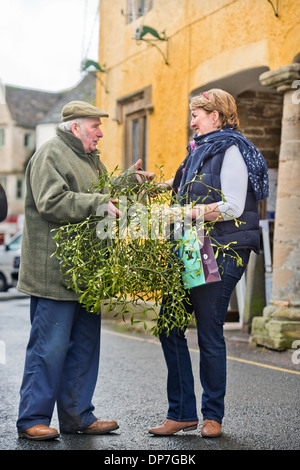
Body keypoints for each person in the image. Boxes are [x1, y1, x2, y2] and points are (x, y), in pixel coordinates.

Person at [16, 100, 154, 440]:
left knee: (84, 348)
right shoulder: (50, 153)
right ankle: (31, 419)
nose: (101, 132)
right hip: (54, 275)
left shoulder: (91, 158)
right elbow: (51, 201)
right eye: (95, 126)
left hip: (87, 275)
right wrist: (97, 203)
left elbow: (102, 193)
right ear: (75, 127)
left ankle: (79, 416)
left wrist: (129, 182)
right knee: (48, 349)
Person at [149, 88, 269, 438]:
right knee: (169, 326)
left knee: (209, 330)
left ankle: (212, 416)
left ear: (215, 116)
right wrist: (154, 185)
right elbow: (185, 186)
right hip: (195, 245)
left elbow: (232, 205)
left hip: (222, 248)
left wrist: (185, 212)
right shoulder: (199, 151)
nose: (191, 121)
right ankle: (182, 413)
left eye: (196, 115)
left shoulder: (231, 148)